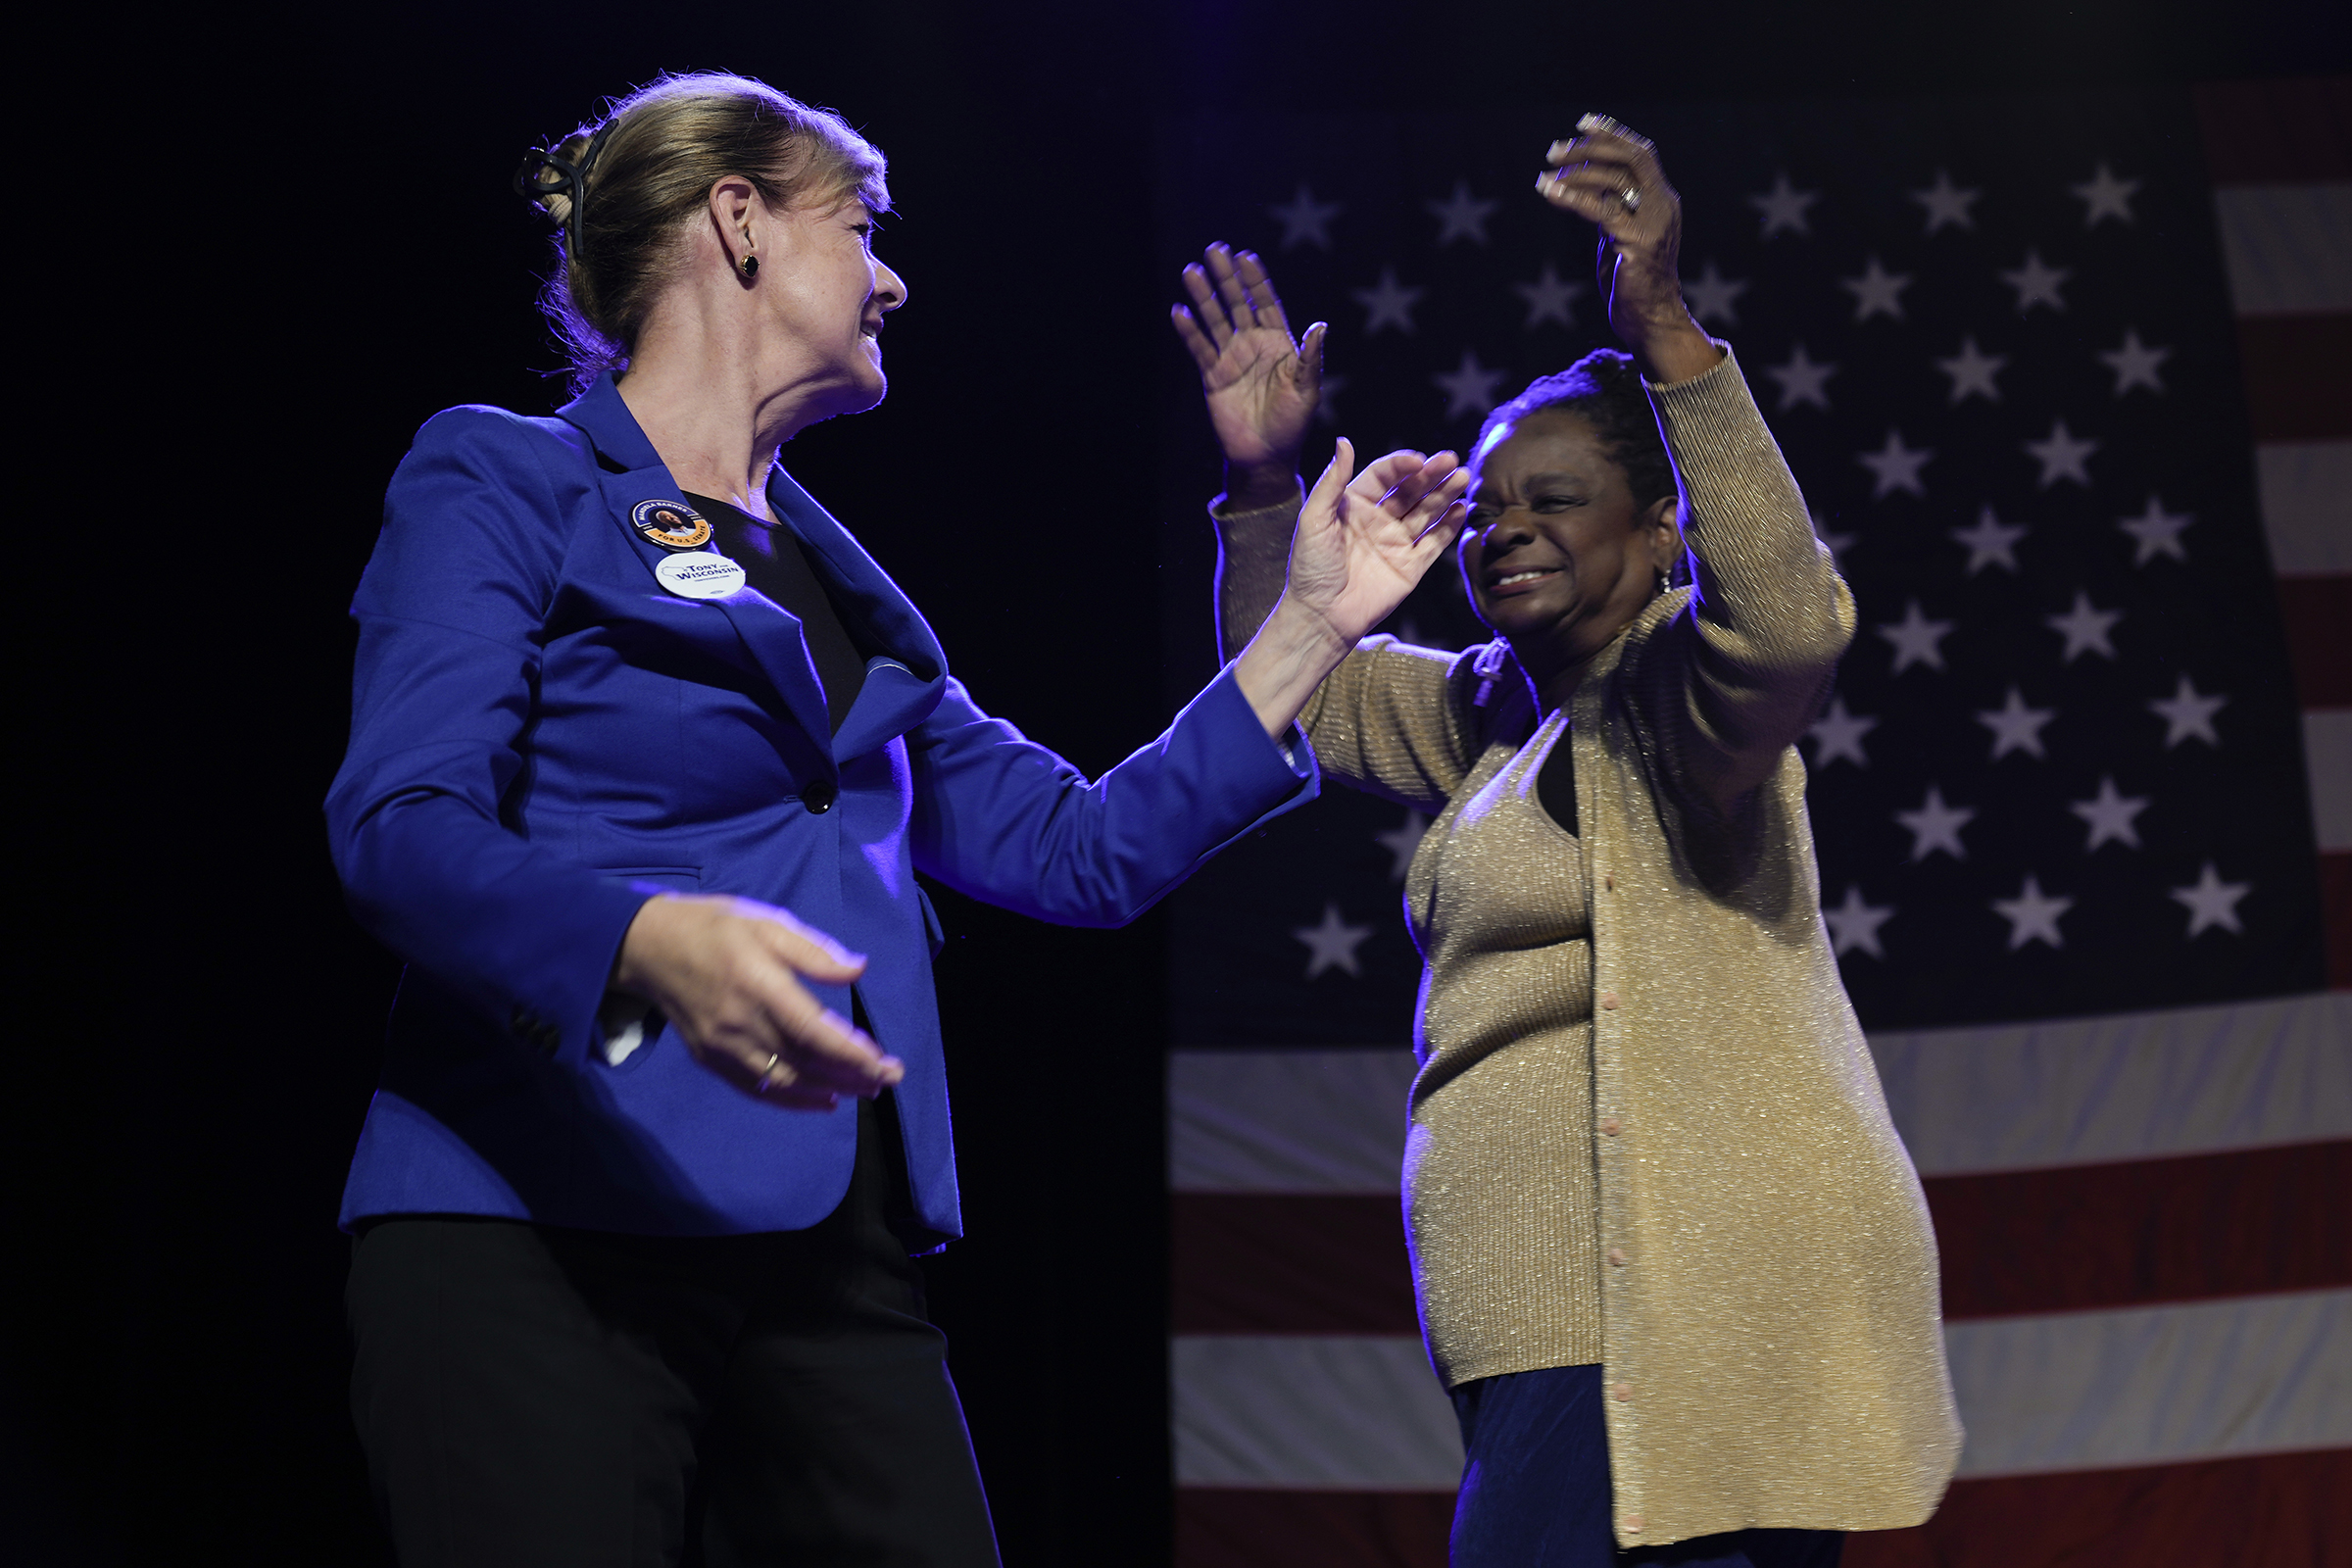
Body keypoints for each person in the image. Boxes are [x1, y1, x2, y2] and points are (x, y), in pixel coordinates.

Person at [327, 71, 1469, 1567]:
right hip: (540, 1225)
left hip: (830, 1255)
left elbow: (1082, 853)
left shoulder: (850, 598)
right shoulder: (508, 477)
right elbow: (399, 825)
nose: (894, 275)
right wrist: (645, 940)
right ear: (736, 222)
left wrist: (1311, 629)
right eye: (862, 226)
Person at [1174, 117, 1961, 1567]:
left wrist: (1665, 330)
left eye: (1558, 499)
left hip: (1662, 1306)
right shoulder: (1500, 713)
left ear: (1664, 532)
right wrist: (1264, 486)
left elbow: (1792, 619)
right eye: (1489, 505)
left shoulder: (1679, 703)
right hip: (1563, 1327)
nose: (1507, 530)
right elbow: (1305, 693)